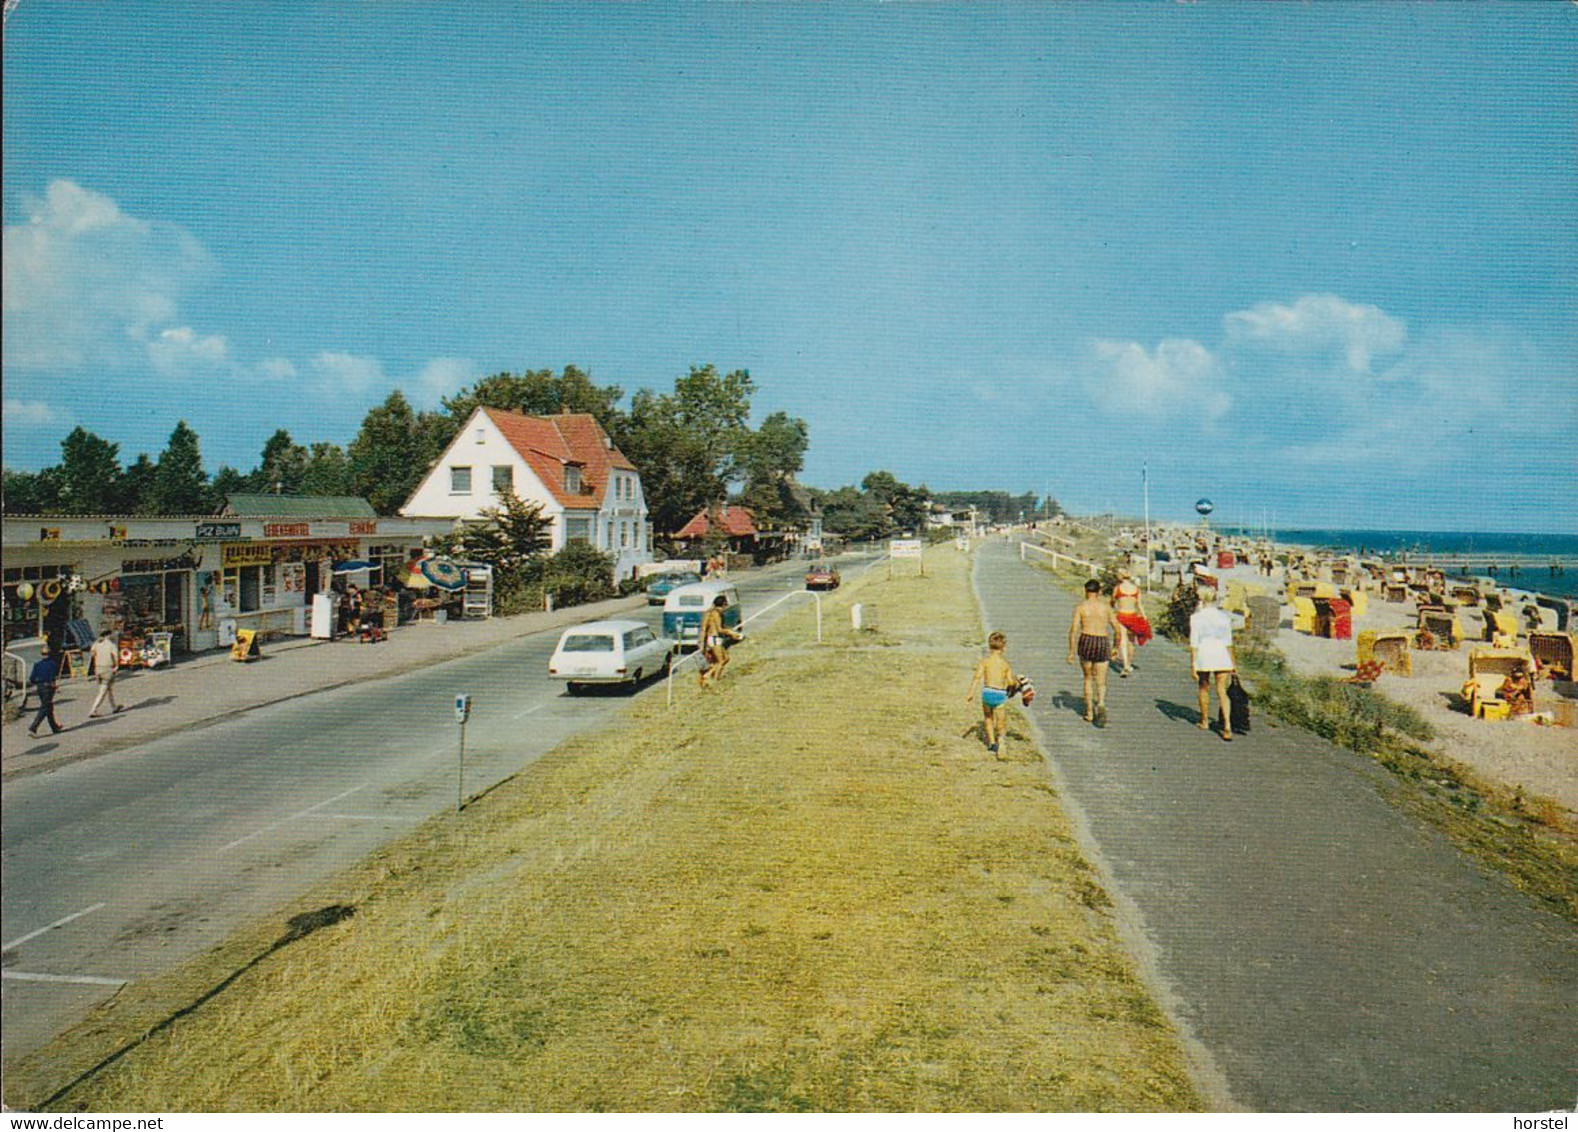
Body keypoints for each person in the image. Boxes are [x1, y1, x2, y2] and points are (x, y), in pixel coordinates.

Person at [1067, 578, 1120, 724]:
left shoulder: (1081, 607)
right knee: (1101, 680)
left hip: (1086, 640)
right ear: (1099, 592)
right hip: (1102, 640)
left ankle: (1089, 712)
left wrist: (1071, 651)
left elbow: (1073, 630)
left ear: (1086, 591)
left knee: (1088, 678)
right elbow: (1117, 629)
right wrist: (1116, 647)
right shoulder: (1106, 608)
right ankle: (1101, 702)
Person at [1190, 588, 1238, 741]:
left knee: (1204, 686)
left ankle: (1204, 720)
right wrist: (1233, 662)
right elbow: (1229, 642)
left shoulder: (1196, 618)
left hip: (1204, 653)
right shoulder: (1223, 617)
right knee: (1222, 690)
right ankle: (1227, 726)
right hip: (1221, 653)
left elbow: (1194, 643)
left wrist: (1193, 664)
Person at [966, 631, 1015, 755]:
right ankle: (1001, 739)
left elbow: (977, 677)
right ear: (1004, 648)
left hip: (987, 693)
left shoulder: (984, 662)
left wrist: (971, 693)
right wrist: (1015, 684)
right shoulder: (1005, 664)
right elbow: (1010, 682)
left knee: (988, 718)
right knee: (1001, 721)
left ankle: (992, 743)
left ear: (989, 646)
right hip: (999, 694)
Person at [1111, 568, 1152, 677]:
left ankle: (1125, 665)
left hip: (1121, 615)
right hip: (1132, 616)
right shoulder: (1136, 589)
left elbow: (1112, 601)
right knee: (1131, 642)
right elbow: (1139, 605)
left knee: (1123, 641)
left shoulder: (1118, 588)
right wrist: (1144, 617)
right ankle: (1128, 663)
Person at [697, 594, 743, 688]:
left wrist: (702, 641)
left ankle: (711, 676)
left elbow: (703, 627)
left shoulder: (709, 612)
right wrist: (732, 633)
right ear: (724, 604)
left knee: (726, 658)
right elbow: (719, 629)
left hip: (712, 639)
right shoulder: (716, 614)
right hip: (715, 638)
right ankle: (713, 679)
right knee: (720, 661)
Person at [27, 643, 66, 738]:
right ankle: (33, 727)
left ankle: (54, 727)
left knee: (48, 706)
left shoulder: (37, 664)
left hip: (40, 687)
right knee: (45, 707)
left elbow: (32, 678)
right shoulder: (52, 664)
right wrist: (54, 685)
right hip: (48, 687)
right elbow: (52, 677)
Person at [87, 629, 126, 718]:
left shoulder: (96, 644)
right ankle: (93, 710)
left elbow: (92, 653)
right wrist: (116, 667)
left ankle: (114, 707)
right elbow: (116, 657)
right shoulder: (111, 645)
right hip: (108, 668)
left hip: (98, 668)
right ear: (108, 635)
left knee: (109, 688)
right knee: (103, 690)